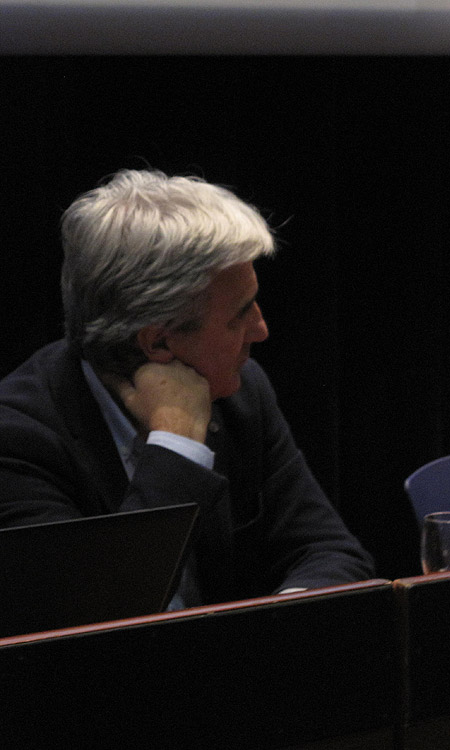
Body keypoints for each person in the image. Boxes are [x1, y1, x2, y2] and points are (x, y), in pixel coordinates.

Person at [0, 169, 374, 607]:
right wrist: (176, 447)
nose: (261, 330)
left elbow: (330, 552)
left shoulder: (240, 392)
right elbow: (99, 620)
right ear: (158, 342)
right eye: (239, 315)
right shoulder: (18, 443)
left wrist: (280, 624)